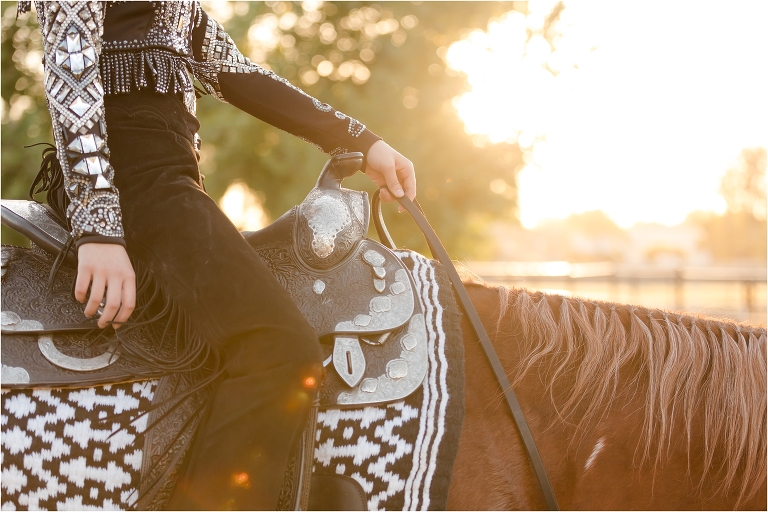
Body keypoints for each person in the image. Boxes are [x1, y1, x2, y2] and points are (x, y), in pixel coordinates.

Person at [21, 1, 416, 509]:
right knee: (280, 352)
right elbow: (70, 72)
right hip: (137, 185)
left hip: (172, 186)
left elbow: (238, 73)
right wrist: (100, 228)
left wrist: (362, 139)